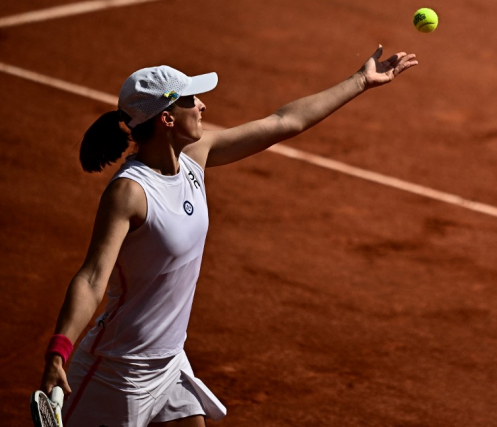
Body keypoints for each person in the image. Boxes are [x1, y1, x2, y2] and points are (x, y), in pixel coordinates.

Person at [38, 45, 418, 426]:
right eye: (191, 100)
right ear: (167, 118)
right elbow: (91, 278)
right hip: (117, 372)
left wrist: (361, 81)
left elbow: (284, 121)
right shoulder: (130, 193)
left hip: (169, 361)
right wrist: (59, 351)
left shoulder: (193, 160)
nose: (202, 105)